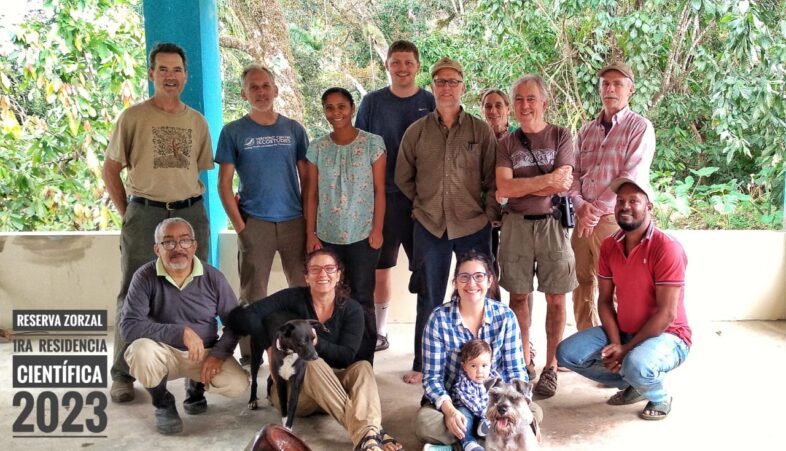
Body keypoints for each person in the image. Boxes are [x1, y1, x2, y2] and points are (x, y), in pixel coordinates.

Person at [102, 42, 214, 403]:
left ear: (186, 75)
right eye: (162, 69)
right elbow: (110, 170)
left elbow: (197, 170)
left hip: (190, 212)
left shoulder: (197, 120)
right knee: (132, 291)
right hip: (145, 212)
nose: (170, 76)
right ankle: (122, 373)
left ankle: (197, 374)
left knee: (198, 290)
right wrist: (130, 214)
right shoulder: (132, 117)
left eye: (176, 70)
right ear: (151, 74)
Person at [236, 249, 403, 451]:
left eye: (329, 268)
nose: (323, 274)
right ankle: (370, 434)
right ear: (306, 276)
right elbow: (249, 315)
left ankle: (368, 436)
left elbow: (345, 357)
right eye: (315, 269)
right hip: (294, 394)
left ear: (338, 275)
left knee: (363, 368)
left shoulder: (351, 309)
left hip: (331, 388)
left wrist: (316, 344)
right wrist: (270, 349)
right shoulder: (293, 297)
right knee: (310, 363)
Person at [396, 57, 499, 385]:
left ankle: (489, 360)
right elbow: (403, 177)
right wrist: (421, 204)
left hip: (472, 225)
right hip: (429, 226)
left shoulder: (479, 131)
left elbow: (492, 179)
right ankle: (423, 363)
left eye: (453, 81)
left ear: (462, 87)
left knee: (482, 293)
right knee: (429, 294)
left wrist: (488, 214)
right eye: (440, 82)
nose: (447, 87)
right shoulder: (417, 132)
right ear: (433, 87)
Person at [557, 178, 691, 420]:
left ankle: (658, 395)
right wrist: (616, 344)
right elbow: (605, 300)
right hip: (626, 331)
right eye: (620, 201)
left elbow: (667, 314)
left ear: (649, 207)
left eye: (633, 201)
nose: (625, 206)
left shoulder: (666, 248)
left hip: (669, 336)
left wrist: (626, 350)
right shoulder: (610, 245)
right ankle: (636, 383)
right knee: (568, 354)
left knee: (637, 363)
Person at [215, 64, 308, 363]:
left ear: (275, 90)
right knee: (253, 294)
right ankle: (251, 353)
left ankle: (304, 348)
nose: (261, 91)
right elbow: (224, 184)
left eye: (266, 85)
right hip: (256, 222)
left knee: (303, 288)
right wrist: (241, 226)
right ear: (243, 94)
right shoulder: (233, 132)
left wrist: (310, 220)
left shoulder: (293, 129)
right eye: (253, 87)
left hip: (295, 220)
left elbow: (307, 178)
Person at [120, 218, 248, 435]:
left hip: (203, 353)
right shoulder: (144, 276)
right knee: (140, 351)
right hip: (163, 352)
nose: (178, 248)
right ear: (157, 249)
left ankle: (196, 386)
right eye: (168, 242)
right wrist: (180, 332)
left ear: (195, 246)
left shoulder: (213, 277)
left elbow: (235, 323)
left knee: (238, 384)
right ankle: (162, 403)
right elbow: (129, 327)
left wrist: (218, 354)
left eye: (185, 241)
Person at [496, 75, 577, 398]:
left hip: (552, 225)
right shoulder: (506, 143)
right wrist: (546, 181)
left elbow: (564, 184)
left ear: (544, 103)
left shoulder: (560, 135)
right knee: (518, 297)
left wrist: (524, 184)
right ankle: (523, 363)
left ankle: (551, 367)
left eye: (531, 99)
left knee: (556, 297)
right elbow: (504, 188)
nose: (524, 105)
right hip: (515, 225)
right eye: (518, 99)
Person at [356, 39, 435, 353]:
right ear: (387, 65)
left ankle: (428, 339)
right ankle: (380, 332)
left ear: (417, 66)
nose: (402, 68)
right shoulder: (372, 102)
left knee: (427, 271)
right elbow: (360, 148)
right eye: (396, 62)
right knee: (380, 268)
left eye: (408, 62)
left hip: (421, 201)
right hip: (382, 199)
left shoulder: (429, 100)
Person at [416, 251, 540, 447]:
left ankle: (468, 438)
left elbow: (516, 372)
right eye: (464, 277)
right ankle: (484, 436)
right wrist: (450, 411)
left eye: (479, 277)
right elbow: (432, 378)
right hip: (454, 399)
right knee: (425, 423)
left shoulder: (505, 317)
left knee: (534, 413)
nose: (471, 284)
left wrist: (506, 407)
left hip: (498, 402)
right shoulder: (438, 319)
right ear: (455, 282)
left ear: (490, 280)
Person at [569, 62, 655, 331]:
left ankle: (621, 345)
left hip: (616, 220)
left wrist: (592, 210)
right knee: (581, 281)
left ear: (631, 89)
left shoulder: (639, 127)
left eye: (617, 83)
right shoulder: (586, 131)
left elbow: (631, 177)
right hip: (583, 219)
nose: (610, 89)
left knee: (620, 285)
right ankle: (586, 341)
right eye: (605, 83)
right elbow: (573, 174)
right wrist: (580, 205)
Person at [304, 87, 386, 363]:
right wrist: (310, 234)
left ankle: (363, 362)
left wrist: (377, 230)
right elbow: (311, 193)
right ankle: (334, 359)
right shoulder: (317, 148)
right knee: (329, 298)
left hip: (363, 234)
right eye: (329, 107)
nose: (336, 113)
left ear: (352, 108)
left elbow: (379, 190)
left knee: (363, 299)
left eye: (341, 106)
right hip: (327, 236)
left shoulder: (373, 144)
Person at [450, 339, 497, 451]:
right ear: (464, 366)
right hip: (468, 409)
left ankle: (484, 430)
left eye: (484, 365)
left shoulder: (493, 378)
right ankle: (469, 442)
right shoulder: (463, 383)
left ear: (490, 364)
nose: (479, 371)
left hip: (484, 412)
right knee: (463, 419)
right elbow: (471, 403)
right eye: (473, 366)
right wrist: (486, 414)